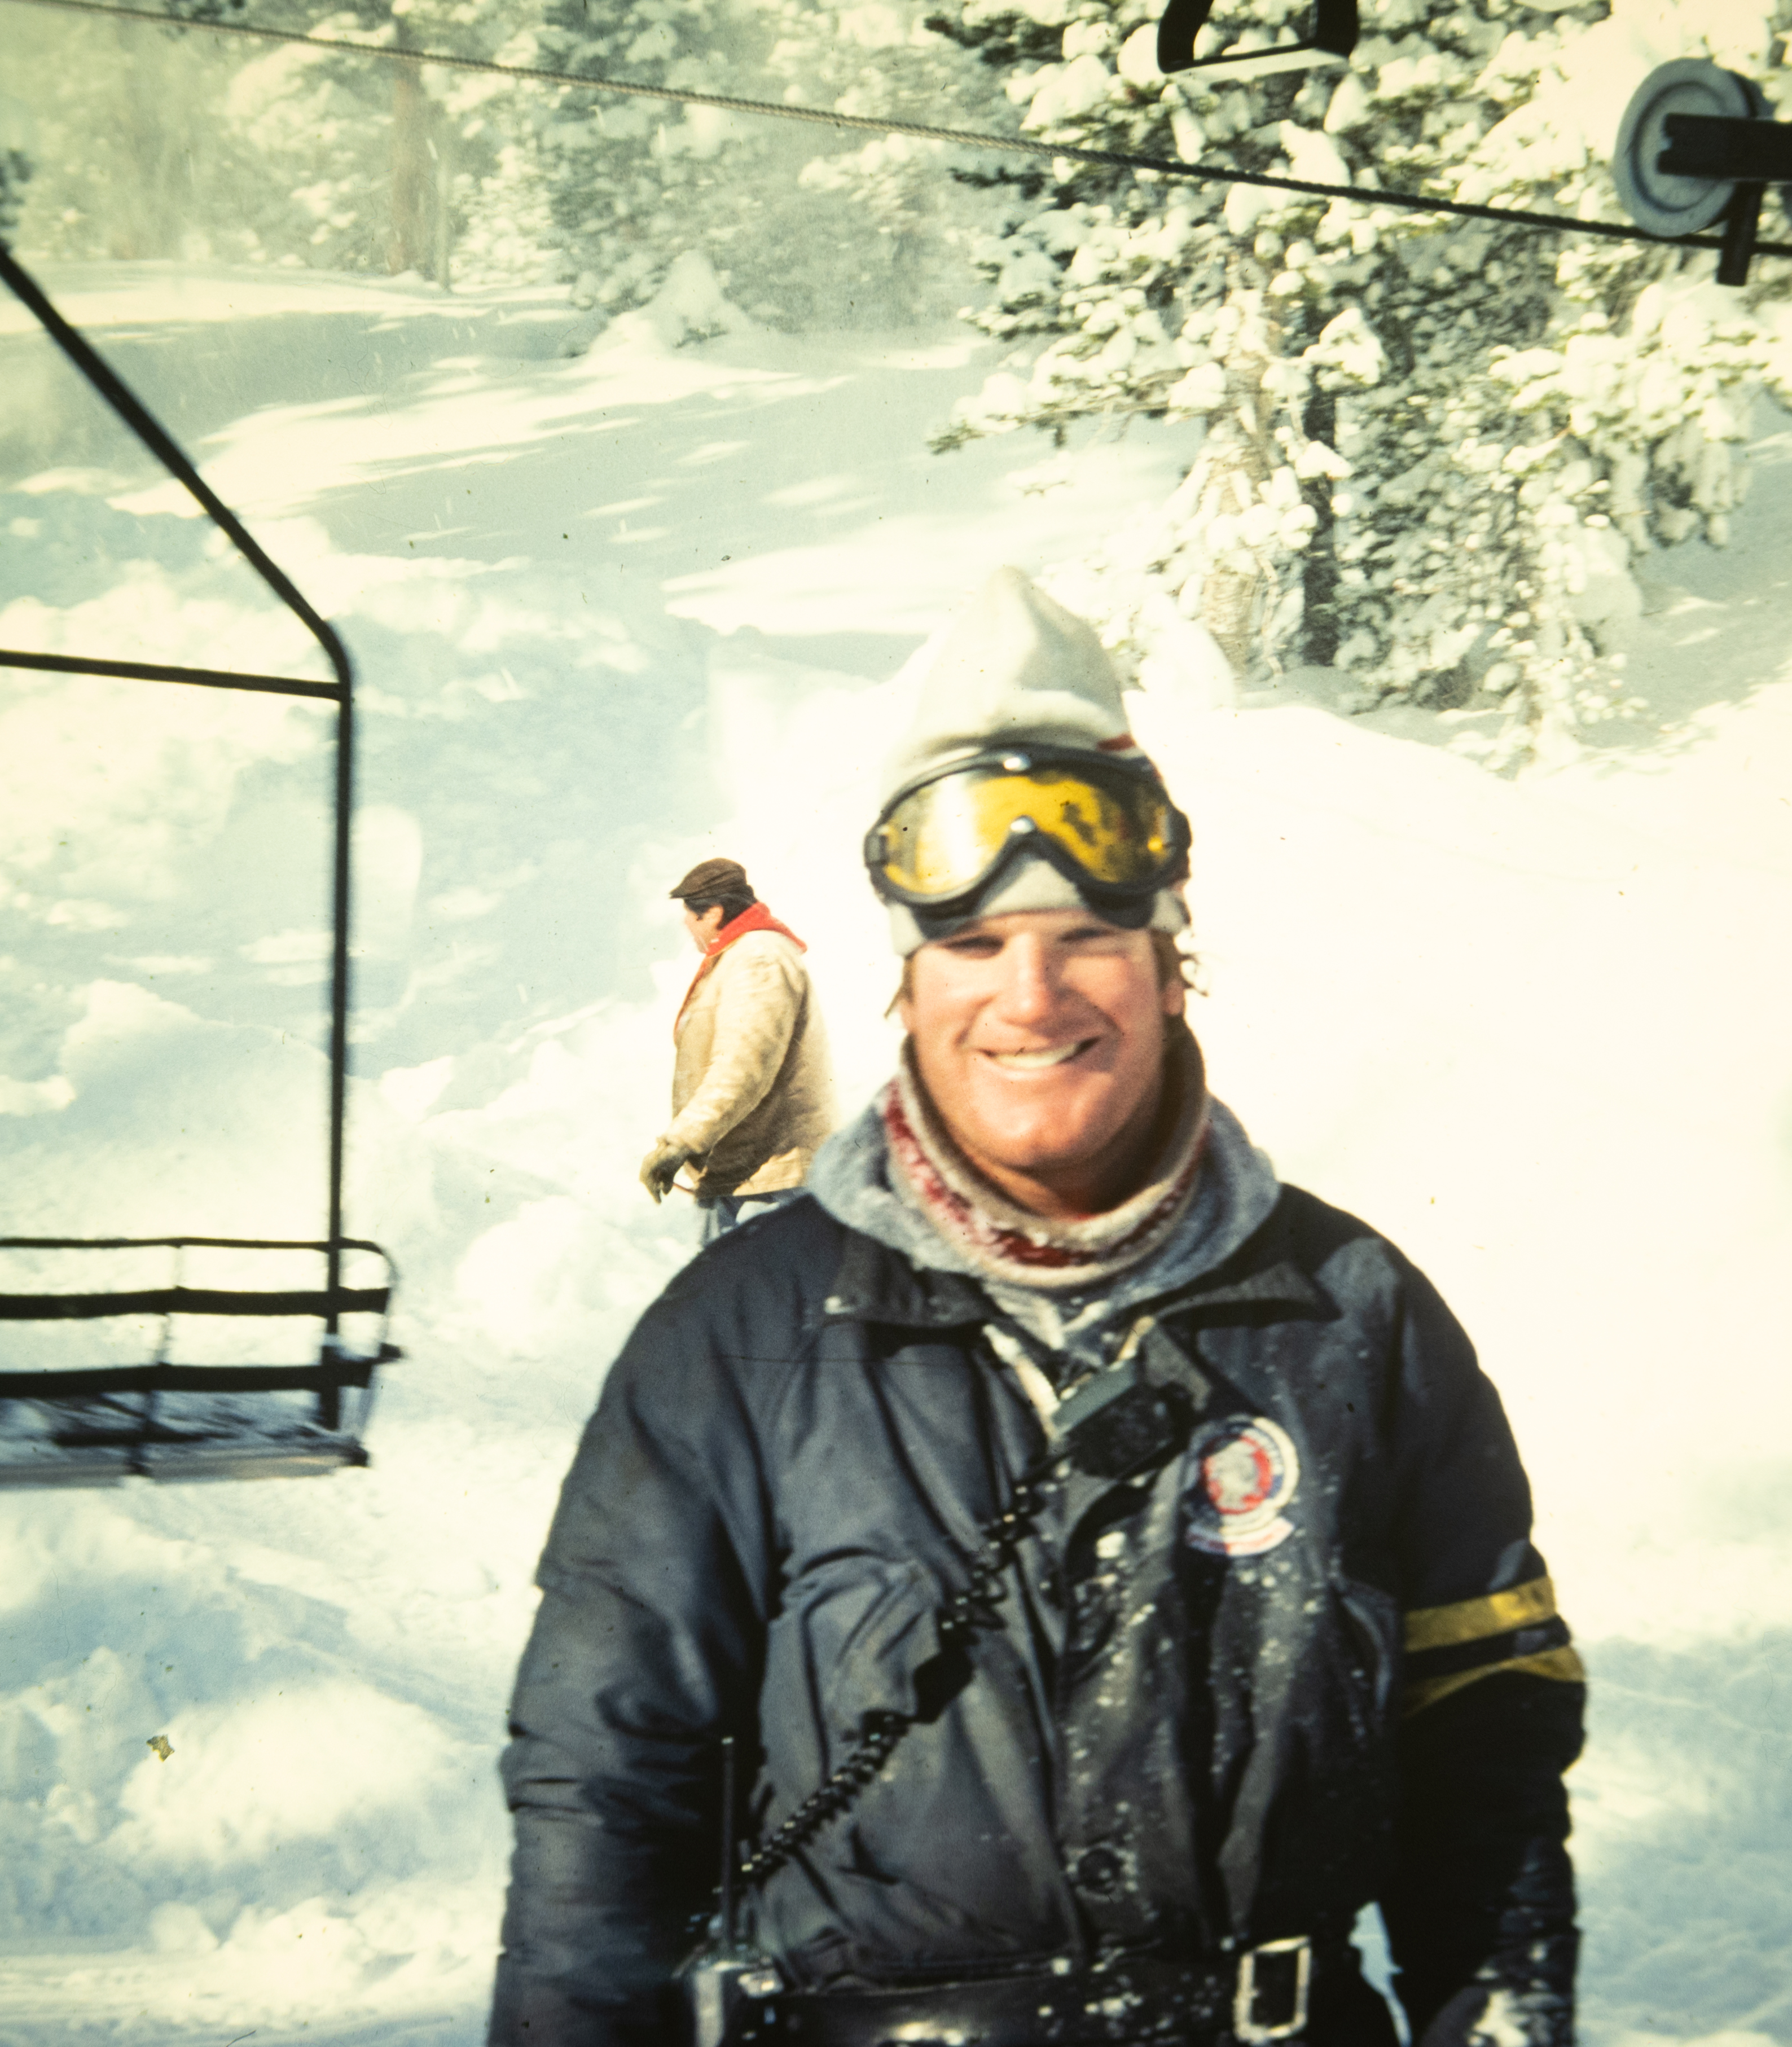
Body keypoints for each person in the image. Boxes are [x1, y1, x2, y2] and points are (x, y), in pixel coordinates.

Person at [498, 569, 1584, 2047]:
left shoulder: (1351, 1316)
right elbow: (602, 1791)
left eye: (1085, 934)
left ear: (1167, 960)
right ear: (904, 980)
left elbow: (1489, 1765)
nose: (1030, 994)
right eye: (972, 944)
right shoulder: (731, 1338)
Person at [644, 858, 836, 1242]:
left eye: (691, 917)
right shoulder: (747, 956)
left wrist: (679, 1142)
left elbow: (741, 1067)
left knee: (760, 1295)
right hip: (747, 1176)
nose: (687, 926)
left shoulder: (756, 959)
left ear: (713, 913)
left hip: (763, 1183)